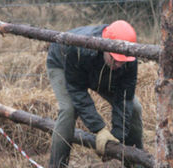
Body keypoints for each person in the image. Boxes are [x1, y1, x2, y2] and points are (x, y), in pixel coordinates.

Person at [46, 20, 143, 168]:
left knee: (135, 107)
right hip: (63, 63)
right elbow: (77, 90)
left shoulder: (129, 58)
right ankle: (57, 165)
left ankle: (135, 162)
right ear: (105, 47)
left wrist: (115, 137)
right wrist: (99, 129)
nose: (119, 65)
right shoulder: (79, 49)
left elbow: (124, 98)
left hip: (98, 68)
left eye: (122, 62)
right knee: (69, 110)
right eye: (115, 59)